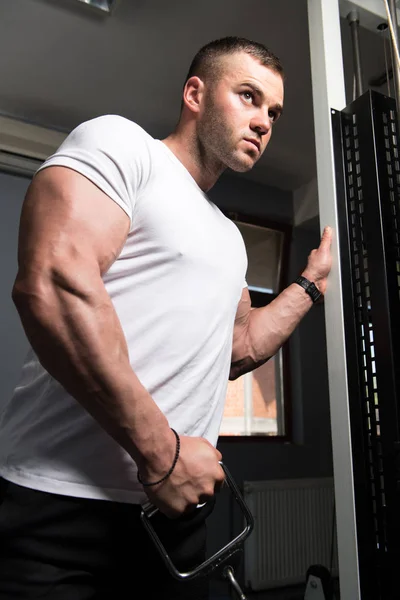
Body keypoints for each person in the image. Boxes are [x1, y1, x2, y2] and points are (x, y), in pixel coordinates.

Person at [0, 36, 332, 599]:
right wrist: (163, 455)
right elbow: (53, 284)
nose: (263, 122)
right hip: (59, 508)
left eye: (273, 112)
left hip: (172, 520)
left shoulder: (229, 238)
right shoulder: (124, 146)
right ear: (195, 93)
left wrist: (312, 282)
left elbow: (237, 349)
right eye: (248, 97)